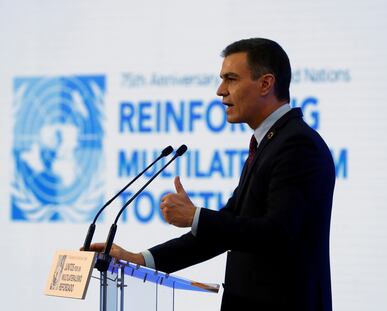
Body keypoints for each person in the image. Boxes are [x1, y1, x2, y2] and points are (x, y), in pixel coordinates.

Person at [89, 38, 335, 310]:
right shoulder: (270, 143)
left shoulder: (297, 145)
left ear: (266, 83)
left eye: (231, 79)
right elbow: (229, 227)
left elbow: (277, 233)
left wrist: (195, 216)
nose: (220, 91)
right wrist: (141, 260)